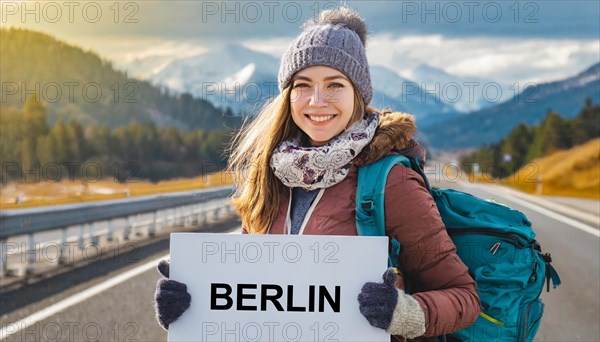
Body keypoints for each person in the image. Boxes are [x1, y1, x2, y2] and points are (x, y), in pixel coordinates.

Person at [154, 6, 480, 341]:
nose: (317, 100)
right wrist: (191, 305)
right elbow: (252, 292)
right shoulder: (268, 177)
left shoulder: (390, 182)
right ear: (289, 95)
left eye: (335, 84)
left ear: (359, 94)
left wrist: (402, 312)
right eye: (303, 85)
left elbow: (463, 297)